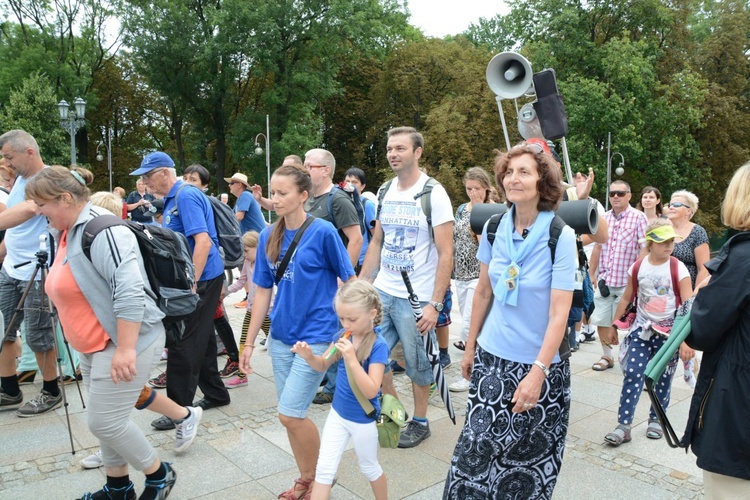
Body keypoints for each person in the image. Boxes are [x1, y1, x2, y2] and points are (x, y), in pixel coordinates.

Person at [26, 166, 178, 499]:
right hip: (96, 343)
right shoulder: (67, 230)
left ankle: (159, 473)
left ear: (65, 198)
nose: (38, 212)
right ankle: (118, 488)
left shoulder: (103, 230)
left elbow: (129, 291)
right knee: (109, 420)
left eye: (41, 204)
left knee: (104, 422)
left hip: (125, 341)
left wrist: (125, 349)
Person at [444, 143, 577, 499]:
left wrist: (537, 373)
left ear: (542, 182)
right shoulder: (493, 226)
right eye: (509, 171)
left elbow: (559, 313)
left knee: (525, 463)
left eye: (524, 172)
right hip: (492, 360)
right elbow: (484, 292)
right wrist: (469, 346)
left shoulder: (558, 236)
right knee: (474, 453)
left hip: (539, 367)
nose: (513, 178)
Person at [238, 164, 354, 500]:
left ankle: (322, 479)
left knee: (289, 413)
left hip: (316, 336)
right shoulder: (266, 236)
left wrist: (352, 327)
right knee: (293, 417)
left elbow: (349, 281)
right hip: (281, 337)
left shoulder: (324, 232)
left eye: (283, 193)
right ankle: (307, 478)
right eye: (273, 193)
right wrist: (247, 343)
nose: (275, 199)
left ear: (303, 195)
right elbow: (261, 291)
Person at [79, 190, 204, 470]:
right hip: (102, 334)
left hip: (122, 333)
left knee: (111, 409)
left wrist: (125, 346)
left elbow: (130, 292)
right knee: (121, 399)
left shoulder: (111, 239)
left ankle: (154, 467)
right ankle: (184, 416)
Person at [359, 126, 454, 449]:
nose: (392, 154)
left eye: (400, 148)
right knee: (374, 357)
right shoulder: (385, 191)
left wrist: (435, 304)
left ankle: (422, 420)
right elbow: (376, 243)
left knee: (418, 365)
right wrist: (361, 285)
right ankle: (392, 412)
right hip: (383, 292)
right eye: (389, 148)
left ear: (417, 152)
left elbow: (446, 253)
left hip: (417, 298)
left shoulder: (433, 194)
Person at [132, 152, 230, 431]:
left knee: (183, 343)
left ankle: (178, 410)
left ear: (165, 173)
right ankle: (215, 393)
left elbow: (203, 242)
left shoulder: (185, 196)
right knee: (201, 339)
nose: (144, 182)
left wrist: (191, 283)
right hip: (202, 278)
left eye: (147, 176)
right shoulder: (177, 197)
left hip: (202, 279)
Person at [682, 162, 750, 496]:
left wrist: (702, 292)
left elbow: (702, 330)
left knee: (728, 490)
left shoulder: (742, 258)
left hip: (739, 403)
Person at [291, 280, 388, 500]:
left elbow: (372, 390)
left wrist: (352, 358)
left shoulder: (378, 345)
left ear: (372, 313)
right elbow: (322, 364)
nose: (346, 324)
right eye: (342, 318)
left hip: (363, 419)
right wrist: (308, 356)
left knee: (369, 468)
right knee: (324, 470)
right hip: (337, 415)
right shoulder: (343, 336)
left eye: (352, 319)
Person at [604, 219, 692, 446]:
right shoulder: (638, 267)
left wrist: (685, 340)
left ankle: (656, 420)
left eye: (671, 241)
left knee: (661, 378)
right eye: (663, 242)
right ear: (650, 244)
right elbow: (627, 297)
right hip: (641, 331)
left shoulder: (677, 267)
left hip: (669, 334)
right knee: (633, 373)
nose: (669, 246)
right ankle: (624, 426)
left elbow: (689, 305)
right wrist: (615, 325)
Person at [0, 130, 61, 417]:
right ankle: (10, 389)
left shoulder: (46, 179)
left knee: (38, 334)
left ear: (28, 152)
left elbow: (29, 209)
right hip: (12, 267)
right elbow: (14, 229)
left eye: (9, 157)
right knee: (4, 330)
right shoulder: (20, 181)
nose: (7, 163)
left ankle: (51, 390)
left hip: (38, 270)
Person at [589, 180, 648, 371]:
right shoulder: (603, 217)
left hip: (627, 281)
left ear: (629, 196)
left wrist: (636, 276)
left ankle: (631, 356)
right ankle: (607, 357)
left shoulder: (639, 218)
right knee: (601, 319)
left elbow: (644, 248)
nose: (616, 196)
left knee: (628, 322)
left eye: (621, 193)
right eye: (613, 193)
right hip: (606, 279)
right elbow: (598, 246)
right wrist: (592, 272)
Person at [450, 166, 493, 367]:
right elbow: (455, 238)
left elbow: (485, 244)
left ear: (486, 187)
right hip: (461, 273)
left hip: (479, 273)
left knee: (470, 324)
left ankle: (471, 368)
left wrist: (478, 213)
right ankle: (478, 363)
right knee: (467, 321)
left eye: (477, 188)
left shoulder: (493, 209)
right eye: (469, 189)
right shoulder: (460, 209)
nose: (473, 193)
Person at [221, 230, 274, 389]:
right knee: (244, 341)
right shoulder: (247, 264)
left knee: (279, 341)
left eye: (246, 251)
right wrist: (225, 291)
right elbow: (241, 281)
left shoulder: (268, 264)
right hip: (251, 311)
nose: (244, 254)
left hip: (268, 313)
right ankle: (242, 375)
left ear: (259, 248)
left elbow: (273, 290)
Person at [667, 190, 709, 288]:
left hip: (687, 290)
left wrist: (695, 296)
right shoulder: (663, 229)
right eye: (670, 205)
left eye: (676, 205)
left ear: (688, 211)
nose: (671, 207)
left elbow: (703, 268)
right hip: (663, 289)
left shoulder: (697, 232)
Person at [344, 167, 376, 270]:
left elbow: (375, 234)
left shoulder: (366, 204)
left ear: (362, 186)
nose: (350, 184)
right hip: (344, 257)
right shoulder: (340, 202)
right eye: (347, 181)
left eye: (354, 182)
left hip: (362, 261)